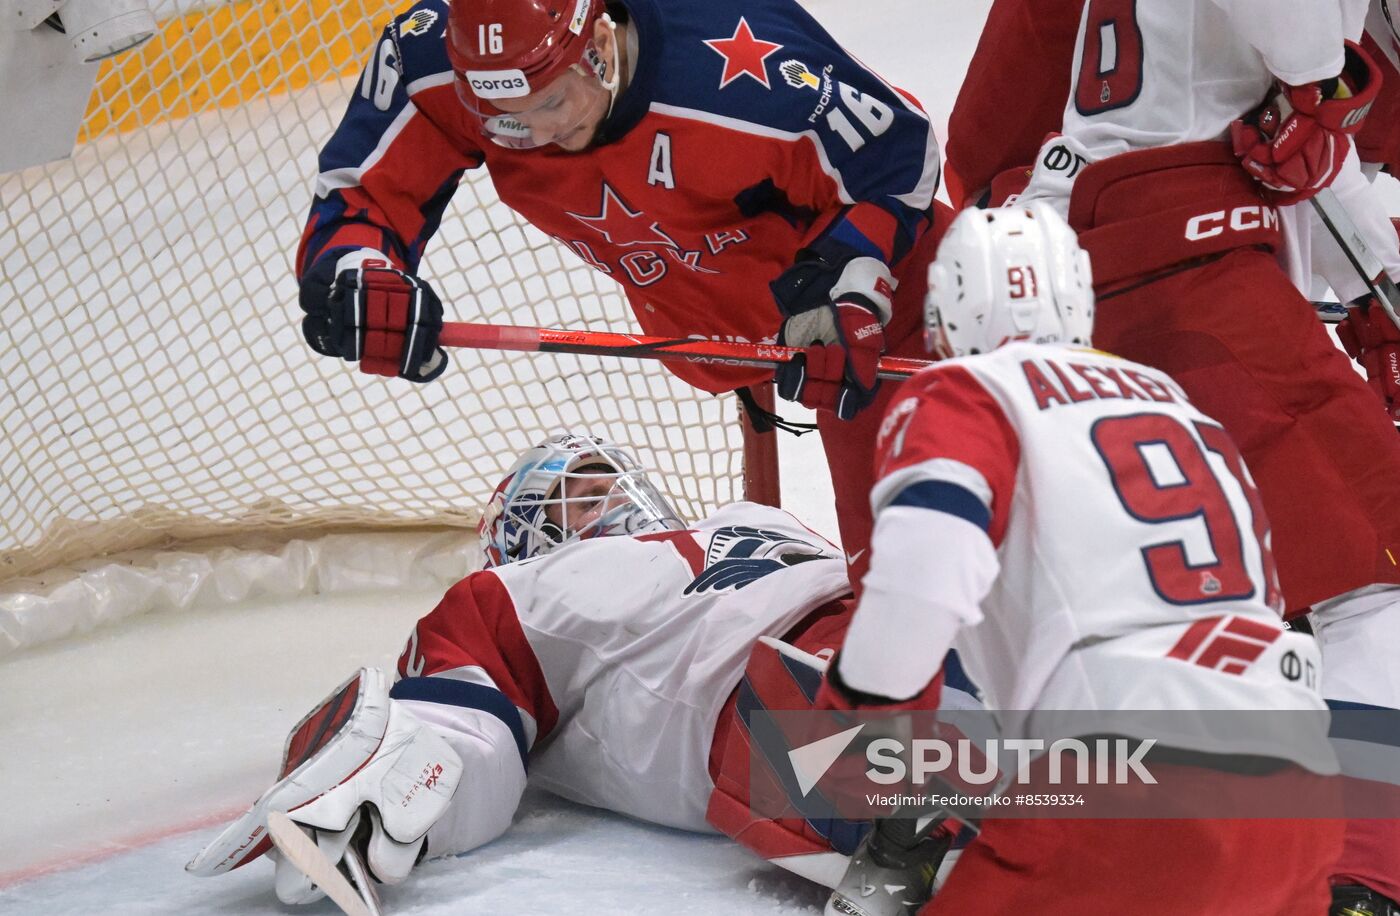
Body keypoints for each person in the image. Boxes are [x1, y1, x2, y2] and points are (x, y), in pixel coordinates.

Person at [945, 5, 1400, 909]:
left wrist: (1372, 287)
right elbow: (1298, 82)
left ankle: (926, 825)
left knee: (1132, 596)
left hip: (1063, 251)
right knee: (1374, 579)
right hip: (1186, 251)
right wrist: (1322, 78)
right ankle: (1357, 874)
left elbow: (982, 146)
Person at [293, 0, 952, 587]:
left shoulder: (739, 68)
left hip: (900, 315)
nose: (539, 136)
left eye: (552, 103)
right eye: (505, 122)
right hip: (737, 325)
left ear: (601, 45)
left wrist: (857, 293)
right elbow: (359, 195)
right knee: (897, 608)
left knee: (925, 578)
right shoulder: (433, 53)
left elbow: (897, 152)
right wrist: (358, 272)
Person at [186, 433, 978, 906]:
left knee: (1069, 768)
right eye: (570, 501)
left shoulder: (750, 516)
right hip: (791, 699)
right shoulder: (519, 591)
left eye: (602, 484)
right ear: (526, 539)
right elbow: (464, 728)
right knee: (1073, 782)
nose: (602, 503)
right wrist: (401, 777)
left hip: (915, 621)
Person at [816, 203, 1341, 916]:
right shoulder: (1178, 404)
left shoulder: (969, 391)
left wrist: (865, 721)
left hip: (1120, 775)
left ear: (953, 309)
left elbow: (927, 567)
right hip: (1298, 785)